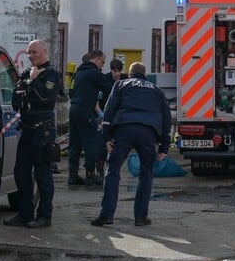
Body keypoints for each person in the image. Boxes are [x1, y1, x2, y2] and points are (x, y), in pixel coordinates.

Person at [91, 62, 171, 228]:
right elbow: (166, 119)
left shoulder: (120, 84)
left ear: (129, 74)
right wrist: (164, 147)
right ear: (145, 74)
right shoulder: (157, 91)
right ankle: (141, 217)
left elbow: (109, 109)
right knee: (147, 173)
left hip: (124, 129)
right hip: (148, 132)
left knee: (113, 171)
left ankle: (106, 215)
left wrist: (107, 136)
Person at [4, 40, 62, 229]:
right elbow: (16, 98)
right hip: (27, 128)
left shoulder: (51, 73)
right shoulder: (27, 73)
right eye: (28, 52)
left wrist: (35, 80)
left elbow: (46, 96)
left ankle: (45, 215)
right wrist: (29, 81)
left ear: (44, 52)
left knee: (42, 173)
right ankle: (25, 213)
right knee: (20, 172)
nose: (30, 56)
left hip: (43, 130)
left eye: (34, 52)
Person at [67, 49, 111, 186]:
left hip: (73, 108)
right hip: (85, 109)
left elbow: (72, 91)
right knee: (91, 141)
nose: (102, 65)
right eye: (102, 62)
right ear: (96, 59)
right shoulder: (95, 73)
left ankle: (72, 175)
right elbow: (109, 89)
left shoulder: (79, 72)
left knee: (75, 142)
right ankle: (90, 174)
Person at [95, 58, 124, 175]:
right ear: (111, 70)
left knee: (116, 144)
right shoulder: (104, 80)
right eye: (115, 71)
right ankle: (100, 168)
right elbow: (96, 101)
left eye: (119, 71)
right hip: (105, 116)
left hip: (118, 117)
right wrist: (101, 114)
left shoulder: (124, 80)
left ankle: (112, 167)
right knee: (102, 144)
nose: (117, 74)